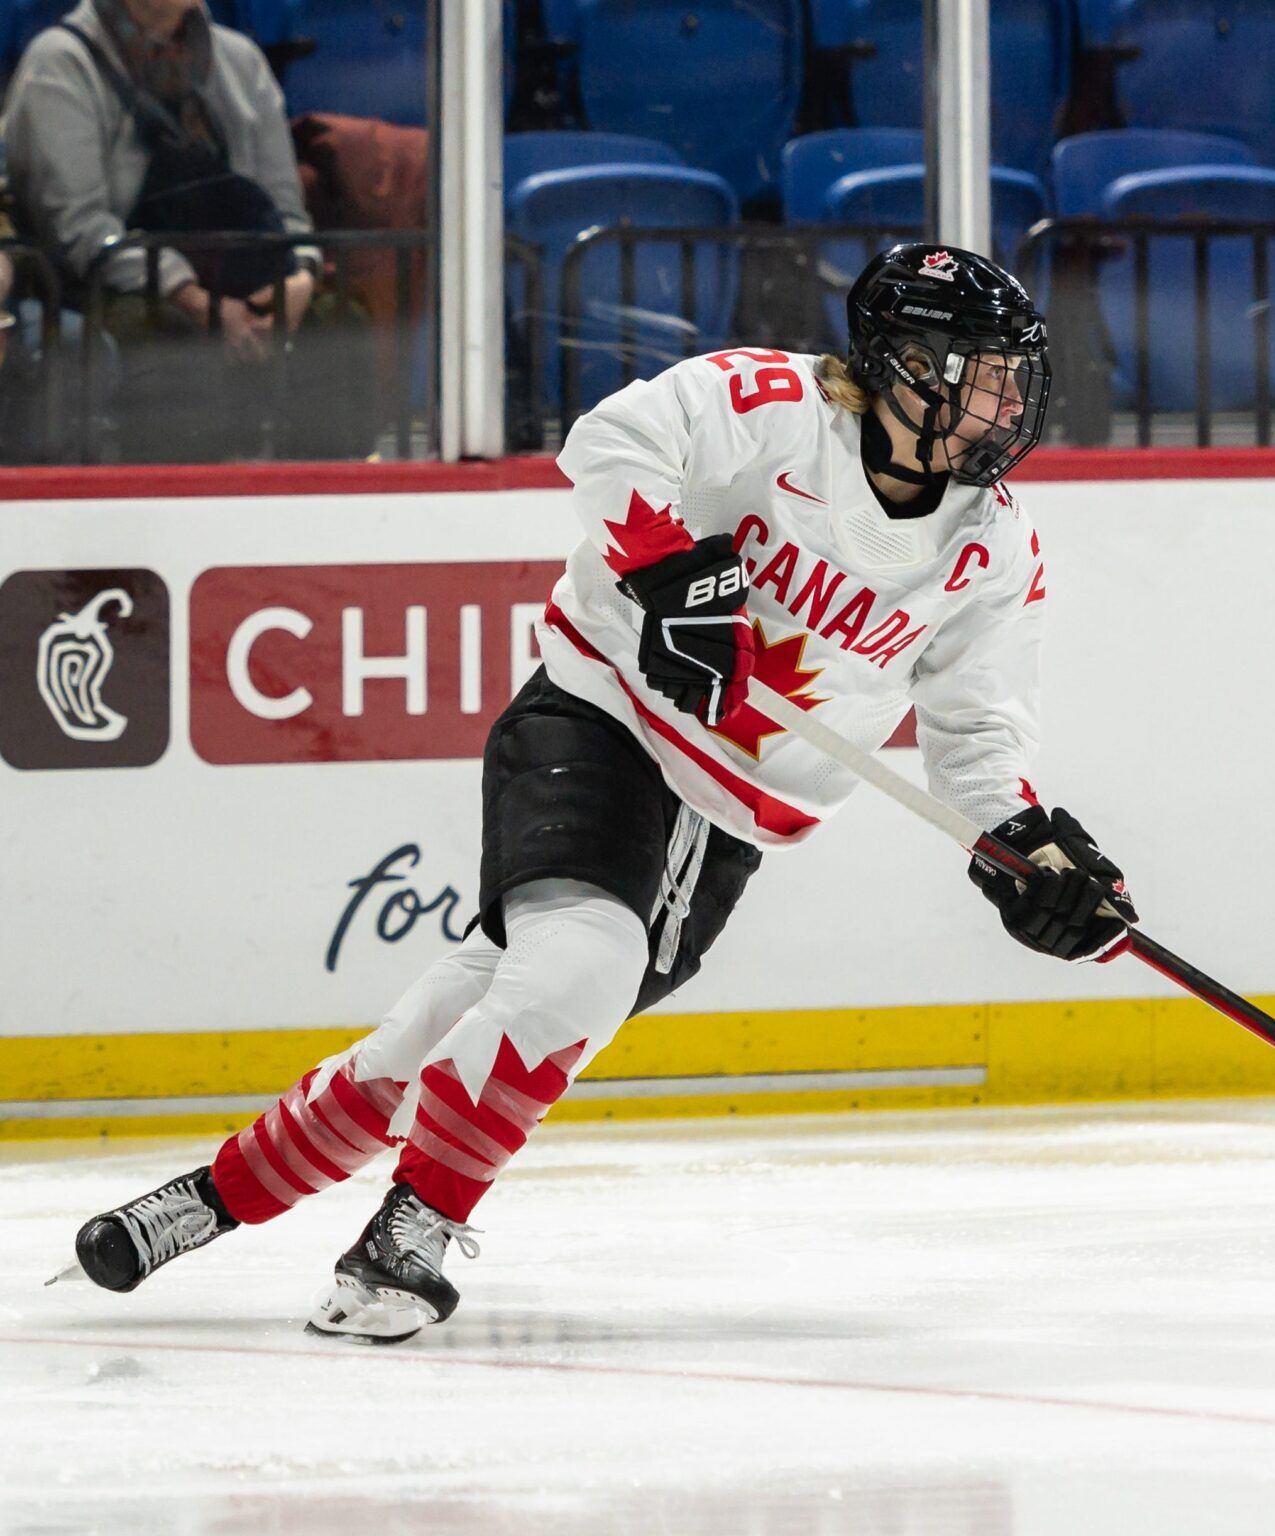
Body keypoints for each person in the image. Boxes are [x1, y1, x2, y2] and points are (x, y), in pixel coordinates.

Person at [64, 243, 1138, 1344]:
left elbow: (975, 731)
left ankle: (204, 1201)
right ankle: (407, 1238)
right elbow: (612, 441)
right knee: (582, 968)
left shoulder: (991, 546)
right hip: (600, 717)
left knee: (452, 1025)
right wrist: (667, 569)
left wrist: (1023, 848)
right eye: (984, 371)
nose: (1011, 402)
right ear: (906, 365)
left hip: (721, 832)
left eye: (1017, 375)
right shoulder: (770, 406)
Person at [0, 0, 363, 459]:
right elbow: (79, 227)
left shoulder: (241, 59)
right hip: (113, 288)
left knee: (340, 326)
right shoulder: (59, 61)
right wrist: (196, 300)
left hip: (248, 278)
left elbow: (287, 207)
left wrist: (298, 279)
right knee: (174, 347)